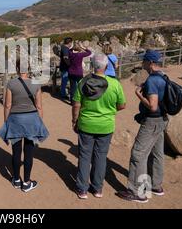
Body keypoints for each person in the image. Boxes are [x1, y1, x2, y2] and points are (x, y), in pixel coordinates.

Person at [72, 53, 126, 199]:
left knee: (84, 156)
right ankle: (97, 189)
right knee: (101, 157)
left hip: (86, 124)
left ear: (92, 66)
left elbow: (76, 104)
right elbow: (122, 105)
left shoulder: (83, 82)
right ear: (107, 66)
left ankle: (82, 189)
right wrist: (109, 111)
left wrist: (74, 121)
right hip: (106, 126)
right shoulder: (115, 84)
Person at [117, 50, 169, 203]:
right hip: (162, 119)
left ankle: (137, 192)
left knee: (138, 154)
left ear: (150, 63)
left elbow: (152, 106)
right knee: (157, 153)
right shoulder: (164, 76)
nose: (142, 64)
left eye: (144, 61)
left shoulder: (153, 80)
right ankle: (156, 185)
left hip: (152, 121)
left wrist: (138, 94)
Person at [0, 60, 49, 193]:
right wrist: (39, 123)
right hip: (31, 120)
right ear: (29, 69)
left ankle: (16, 179)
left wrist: (6, 121)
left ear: (18, 69)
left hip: (15, 120)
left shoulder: (11, 84)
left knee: (16, 151)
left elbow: (7, 105)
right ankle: (26, 182)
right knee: (29, 152)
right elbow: (39, 106)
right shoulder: (36, 84)